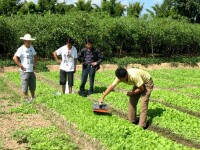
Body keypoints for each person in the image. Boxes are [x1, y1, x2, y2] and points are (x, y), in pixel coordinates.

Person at [13, 34, 37, 103]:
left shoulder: (31, 47)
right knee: (25, 86)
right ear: (24, 41)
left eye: (30, 41)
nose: (29, 42)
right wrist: (21, 65)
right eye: (27, 41)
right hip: (24, 71)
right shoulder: (21, 49)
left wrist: (34, 64)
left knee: (33, 85)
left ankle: (33, 97)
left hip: (31, 70)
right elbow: (15, 58)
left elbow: (35, 56)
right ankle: (26, 99)